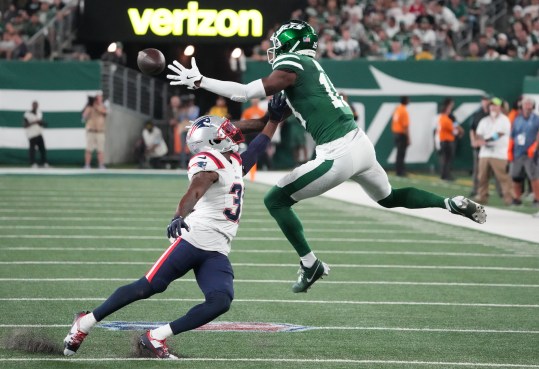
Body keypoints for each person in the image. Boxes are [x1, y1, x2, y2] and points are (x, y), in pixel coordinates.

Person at [166, 19, 487, 294]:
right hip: (359, 143)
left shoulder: (294, 67)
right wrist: (228, 128)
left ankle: (310, 263)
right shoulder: (307, 74)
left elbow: (246, 92)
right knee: (388, 197)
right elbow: (264, 122)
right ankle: (451, 203)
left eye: (278, 45)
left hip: (339, 151)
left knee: (275, 200)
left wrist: (201, 81)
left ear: (290, 46)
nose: (273, 51)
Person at [63, 94, 287, 359]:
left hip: (217, 248)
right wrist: (178, 215)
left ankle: (155, 337)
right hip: (193, 238)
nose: (232, 132)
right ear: (214, 141)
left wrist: (273, 120)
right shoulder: (209, 162)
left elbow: (259, 143)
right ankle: (85, 322)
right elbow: (195, 191)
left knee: (220, 301)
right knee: (148, 286)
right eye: (223, 132)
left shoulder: (233, 161)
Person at [474, 97, 513, 205]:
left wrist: (485, 141)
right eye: (491, 105)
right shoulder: (484, 120)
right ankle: (482, 197)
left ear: (500, 107)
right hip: (485, 153)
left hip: (499, 153)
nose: (493, 107)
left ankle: (509, 198)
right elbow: (478, 133)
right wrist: (479, 140)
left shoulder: (504, 120)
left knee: (503, 177)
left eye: (495, 105)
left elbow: (500, 133)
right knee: (482, 176)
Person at [509, 97, 539, 206]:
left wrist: (535, 146)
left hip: (531, 153)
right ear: (521, 106)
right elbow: (513, 136)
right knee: (515, 176)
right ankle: (517, 198)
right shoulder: (517, 119)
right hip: (518, 152)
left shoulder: (536, 119)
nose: (527, 106)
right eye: (525, 104)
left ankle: (537, 198)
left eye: (529, 104)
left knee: (534, 176)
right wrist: (510, 150)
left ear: (533, 106)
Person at [469, 94, 491, 196]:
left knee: (496, 170)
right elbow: (472, 129)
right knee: (477, 170)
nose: (485, 102)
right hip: (479, 146)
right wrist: (473, 141)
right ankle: (475, 189)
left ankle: (502, 192)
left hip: (492, 146)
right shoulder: (477, 114)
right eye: (484, 100)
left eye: (487, 100)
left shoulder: (493, 114)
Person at [82, 94, 108, 169]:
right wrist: (89, 105)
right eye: (97, 98)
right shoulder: (89, 107)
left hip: (100, 132)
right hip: (91, 131)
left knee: (100, 150)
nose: (99, 99)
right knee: (89, 149)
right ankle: (87, 165)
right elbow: (84, 116)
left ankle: (101, 165)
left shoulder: (103, 106)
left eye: (100, 98)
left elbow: (104, 112)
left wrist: (95, 106)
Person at [23, 100, 48, 168]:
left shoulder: (39, 113)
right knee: (32, 149)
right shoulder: (27, 114)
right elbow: (25, 125)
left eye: (36, 105)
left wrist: (41, 122)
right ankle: (33, 163)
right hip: (31, 134)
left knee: (42, 149)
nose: (35, 106)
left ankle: (44, 162)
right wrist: (35, 122)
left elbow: (42, 123)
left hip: (38, 132)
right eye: (34, 105)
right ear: (32, 105)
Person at [392, 96, 410, 177]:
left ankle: (398, 170)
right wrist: (409, 138)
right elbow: (405, 126)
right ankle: (401, 171)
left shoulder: (397, 109)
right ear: (406, 101)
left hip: (396, 133)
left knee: (399, 153)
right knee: (402, 153)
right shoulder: (404, 111)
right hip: (402, 134)